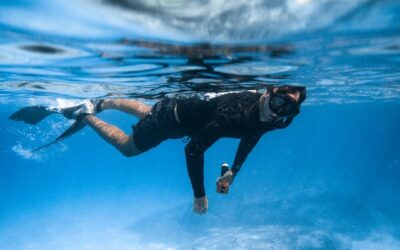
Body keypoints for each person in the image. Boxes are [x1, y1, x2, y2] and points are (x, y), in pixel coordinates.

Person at [62, 85, 306, 214]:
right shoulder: (233, 116)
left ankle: (103, 102)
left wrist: (234, 170)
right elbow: (193, 150)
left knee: (147, 111)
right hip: (171, 120)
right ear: (268, 93)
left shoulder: (271, 120)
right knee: (127, 147)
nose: (278, 112)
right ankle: (86, 114)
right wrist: (199, 194)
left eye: (288, 110)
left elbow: (252, 137)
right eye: (278, 103)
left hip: (178, 109)